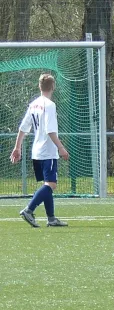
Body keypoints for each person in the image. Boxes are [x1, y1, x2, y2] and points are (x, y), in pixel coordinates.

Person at [10, 73, 70, 227]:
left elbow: (23, 128)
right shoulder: (49, 105)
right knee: (51, 184)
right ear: (53, 87)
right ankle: (29, 210)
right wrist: (61, 148)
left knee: (47, 184)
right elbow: (51, 131)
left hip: (36, 151)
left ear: (39, 86)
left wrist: (17, 147)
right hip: (47, 151)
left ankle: (51, 219)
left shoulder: (34, 104)